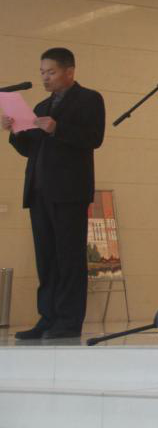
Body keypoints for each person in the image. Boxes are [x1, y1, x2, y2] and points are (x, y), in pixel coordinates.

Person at [2, 47, 105, 340]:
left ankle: (68, 321)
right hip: (39, 190)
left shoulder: (89, 99)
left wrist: (58, 128)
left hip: (68, 192)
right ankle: (47, 318)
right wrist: (15, 132)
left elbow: (94, 138)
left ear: (69, 71)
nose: (45, 78)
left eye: (51, 72)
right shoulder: (42, 105)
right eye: (42, 73)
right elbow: (30, 149)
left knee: (69, 257)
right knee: (46, 258)